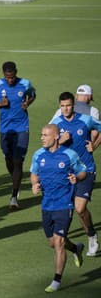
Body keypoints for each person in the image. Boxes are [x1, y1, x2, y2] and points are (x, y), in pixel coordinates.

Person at [30, 124, 86, 293]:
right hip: (47, 205)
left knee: (59, 242)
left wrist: (76, 177)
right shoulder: (38, 155)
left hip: (64, 204)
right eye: (41, 134)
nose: (42, 138)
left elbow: (83, 172)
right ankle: (75, 248)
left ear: (56, 137)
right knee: (53, 243)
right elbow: (34, 173)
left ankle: (56, 280)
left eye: (45, 135)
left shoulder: (69, 155)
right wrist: (34, 184)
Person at [50, 92, 101, 257]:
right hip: (65, 173)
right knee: (72, 209)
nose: (65, 109)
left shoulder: (85, 120)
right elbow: (46, 145)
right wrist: (60, 141)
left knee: (80, 208)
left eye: (68, 105)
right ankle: (82, 236)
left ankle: (92, 236)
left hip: (86, 170)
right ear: (60, 106)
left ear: (74, 105)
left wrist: (95, 144)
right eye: (62, 106)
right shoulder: (56, 123)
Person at [0, 61, 36, 209]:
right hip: (5, 129)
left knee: (18, 161)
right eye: (7, 77)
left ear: (16, 73)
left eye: (12, 77)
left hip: (22, 127)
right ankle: (16, 180)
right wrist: (0, 104)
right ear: (3, 74)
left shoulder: (25, 83)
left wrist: (28, 103)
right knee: (8, 158)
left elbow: (32, 95)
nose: (10, 80)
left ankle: (14, 197)